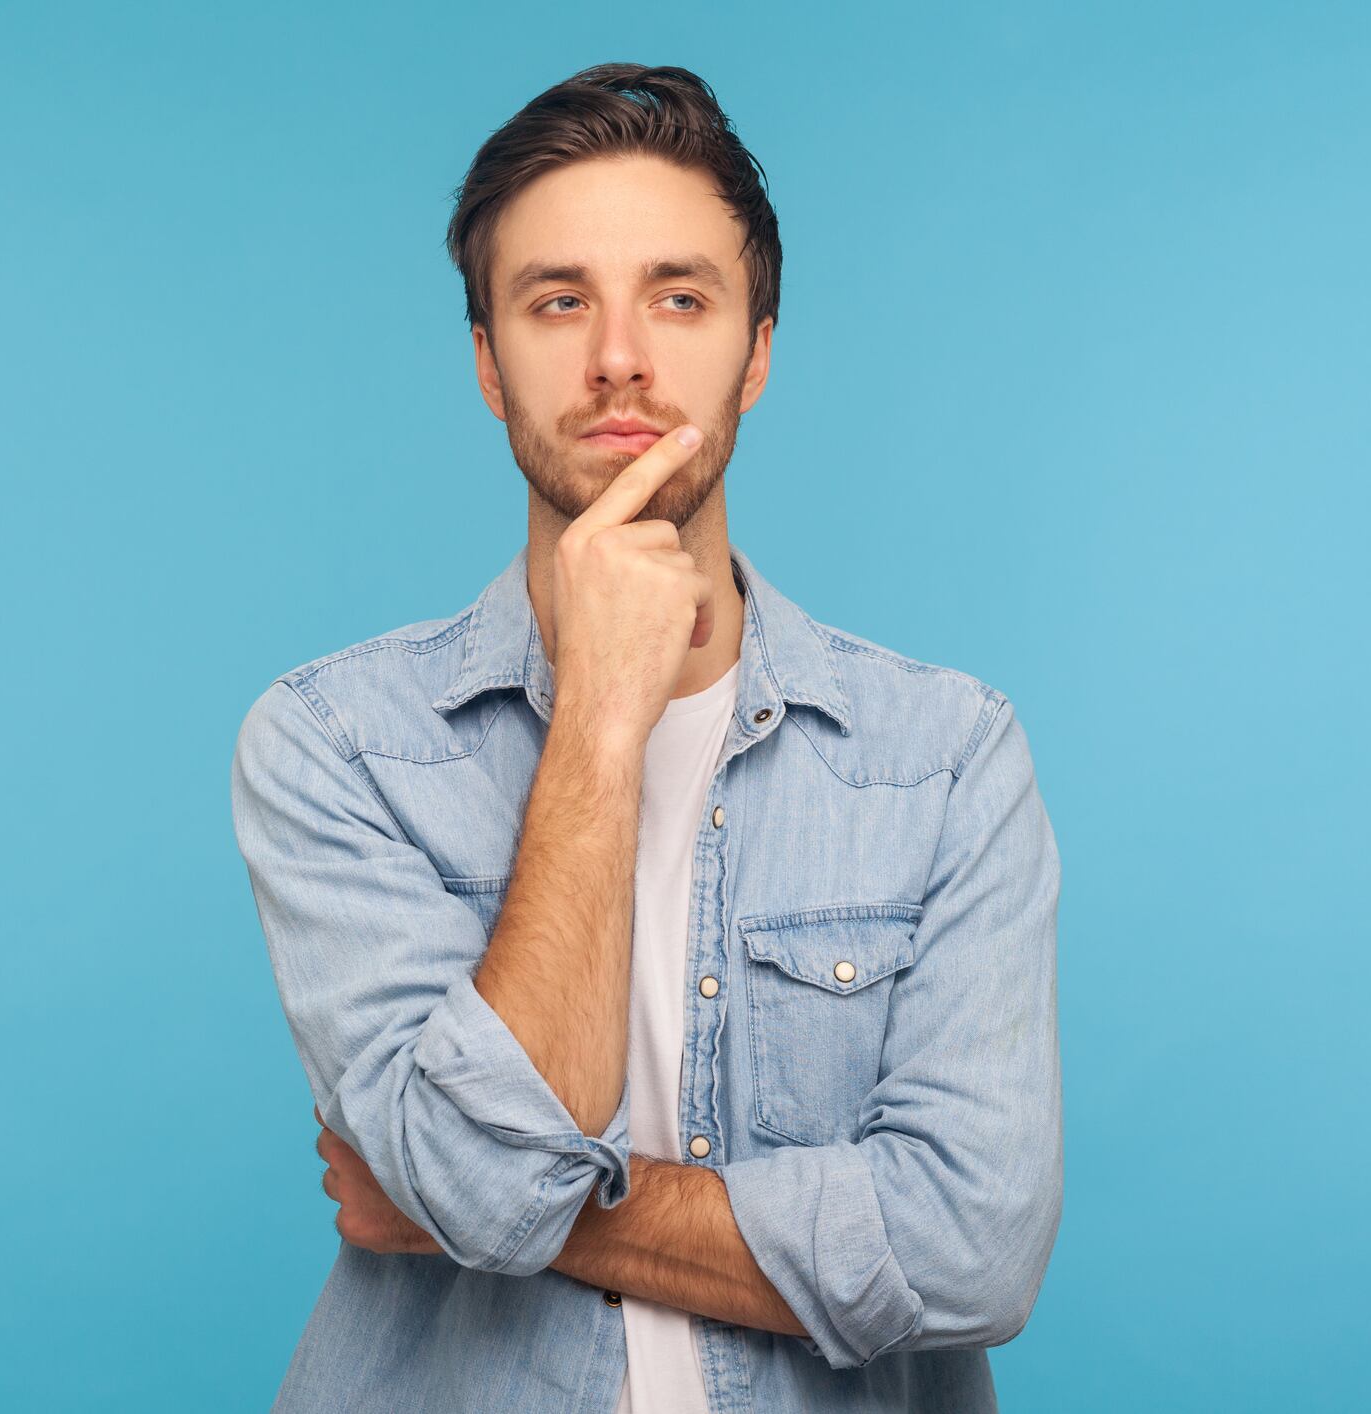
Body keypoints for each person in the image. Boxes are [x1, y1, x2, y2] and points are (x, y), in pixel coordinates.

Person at [231, 62, 1062, 1414]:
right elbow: (485, 1181)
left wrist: (470, 1194)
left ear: (759, 346)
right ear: (490, 367)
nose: (620, 354)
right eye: (558, 301)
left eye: (679, 296)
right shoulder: (337, 744)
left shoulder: (942, 756)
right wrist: (605, 711)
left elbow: (969, 1251)